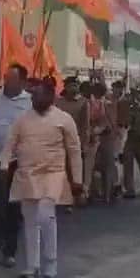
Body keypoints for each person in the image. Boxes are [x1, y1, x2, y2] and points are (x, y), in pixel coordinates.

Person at [2, 78, 81, 278]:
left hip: (53, 174)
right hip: (27, 174)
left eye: (39, 95)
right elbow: (10, 143)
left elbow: (74, 150)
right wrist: (4, 166)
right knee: (29, 219)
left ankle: (50, 265)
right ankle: (32, 265)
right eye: (33, 96)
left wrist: (78, 179)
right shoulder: (22, 119)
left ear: (50, 96)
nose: (35, 99)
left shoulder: (63, 119)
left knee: (46, 216)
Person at [0, 63, 31, 267]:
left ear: (22, 82)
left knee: (13, 206)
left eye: (12, 79)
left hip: (17, 161)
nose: (7, 82)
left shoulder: (29, 102)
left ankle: (9, 249)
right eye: (5, 78)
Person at [55, 76, 90, 204]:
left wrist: (84, 144)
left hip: (76, 141)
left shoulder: (83, 102)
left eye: (75, 85)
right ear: (66, 87)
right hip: (59, 140)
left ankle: (79, 195)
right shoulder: (58, 102)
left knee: (75, 170)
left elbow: (85, 125)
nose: (73, 88)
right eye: (71, 85)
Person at [121, 87, 140, 199]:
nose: (135, 96)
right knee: (127, 163)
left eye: (138, 94)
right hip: (131, 137)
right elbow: (126, 123)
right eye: (134, 94)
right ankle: (130, 189)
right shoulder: (130, 107)